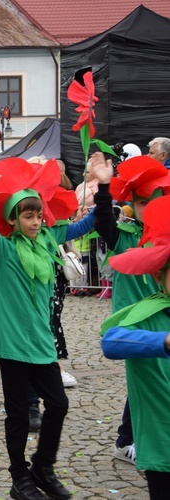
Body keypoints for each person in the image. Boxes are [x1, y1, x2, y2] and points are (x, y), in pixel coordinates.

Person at [0, 156, 87, 500]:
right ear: (13, 219)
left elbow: (80, 225)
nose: (35, 221)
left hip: (41, 342)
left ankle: (43, 467)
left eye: (38, 215)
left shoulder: (48, 243)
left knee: (59, 404)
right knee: (19, 414)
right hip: (12, 344)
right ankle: (19, 477)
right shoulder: (3, 249)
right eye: (27, 215)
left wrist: (105, 189)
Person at [90, 152, 170, 466]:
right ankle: (128, 440)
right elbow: (103, 222)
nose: (149, 209)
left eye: (157, 201)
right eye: (142, 203)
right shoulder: (123, 238)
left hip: (160, 315)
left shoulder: (165, 237)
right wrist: (104, 186)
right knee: (143, 380)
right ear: (132, 205)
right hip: (133, 321)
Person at [100, 194, 170, 499]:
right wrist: (163, 341)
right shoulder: (146, 316)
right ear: (159, 274)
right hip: (163, 444)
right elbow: (111, 342)